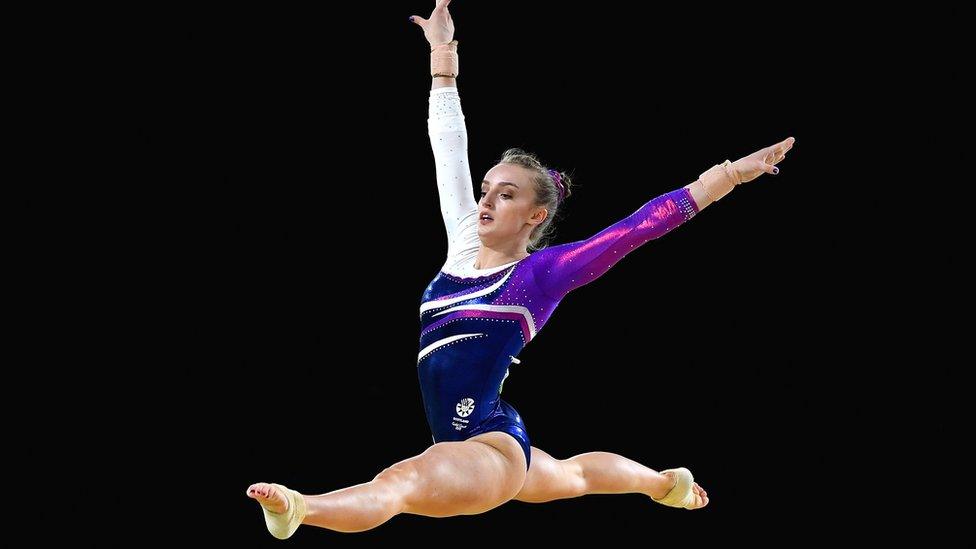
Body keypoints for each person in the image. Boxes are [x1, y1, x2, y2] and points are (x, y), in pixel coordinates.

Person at [247, 0, 795, 538]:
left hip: (484, 449)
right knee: (575, 476)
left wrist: (729, 175)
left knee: (404, 481)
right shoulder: (463, 242)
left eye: (504, 195)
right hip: (493, 430)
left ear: (535, 215)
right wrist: (443, 55)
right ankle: (666, 483)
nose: (484, 202)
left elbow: (637, 228)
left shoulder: (540, 276)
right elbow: (448, 147)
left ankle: (301, 507)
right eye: (486, 190)